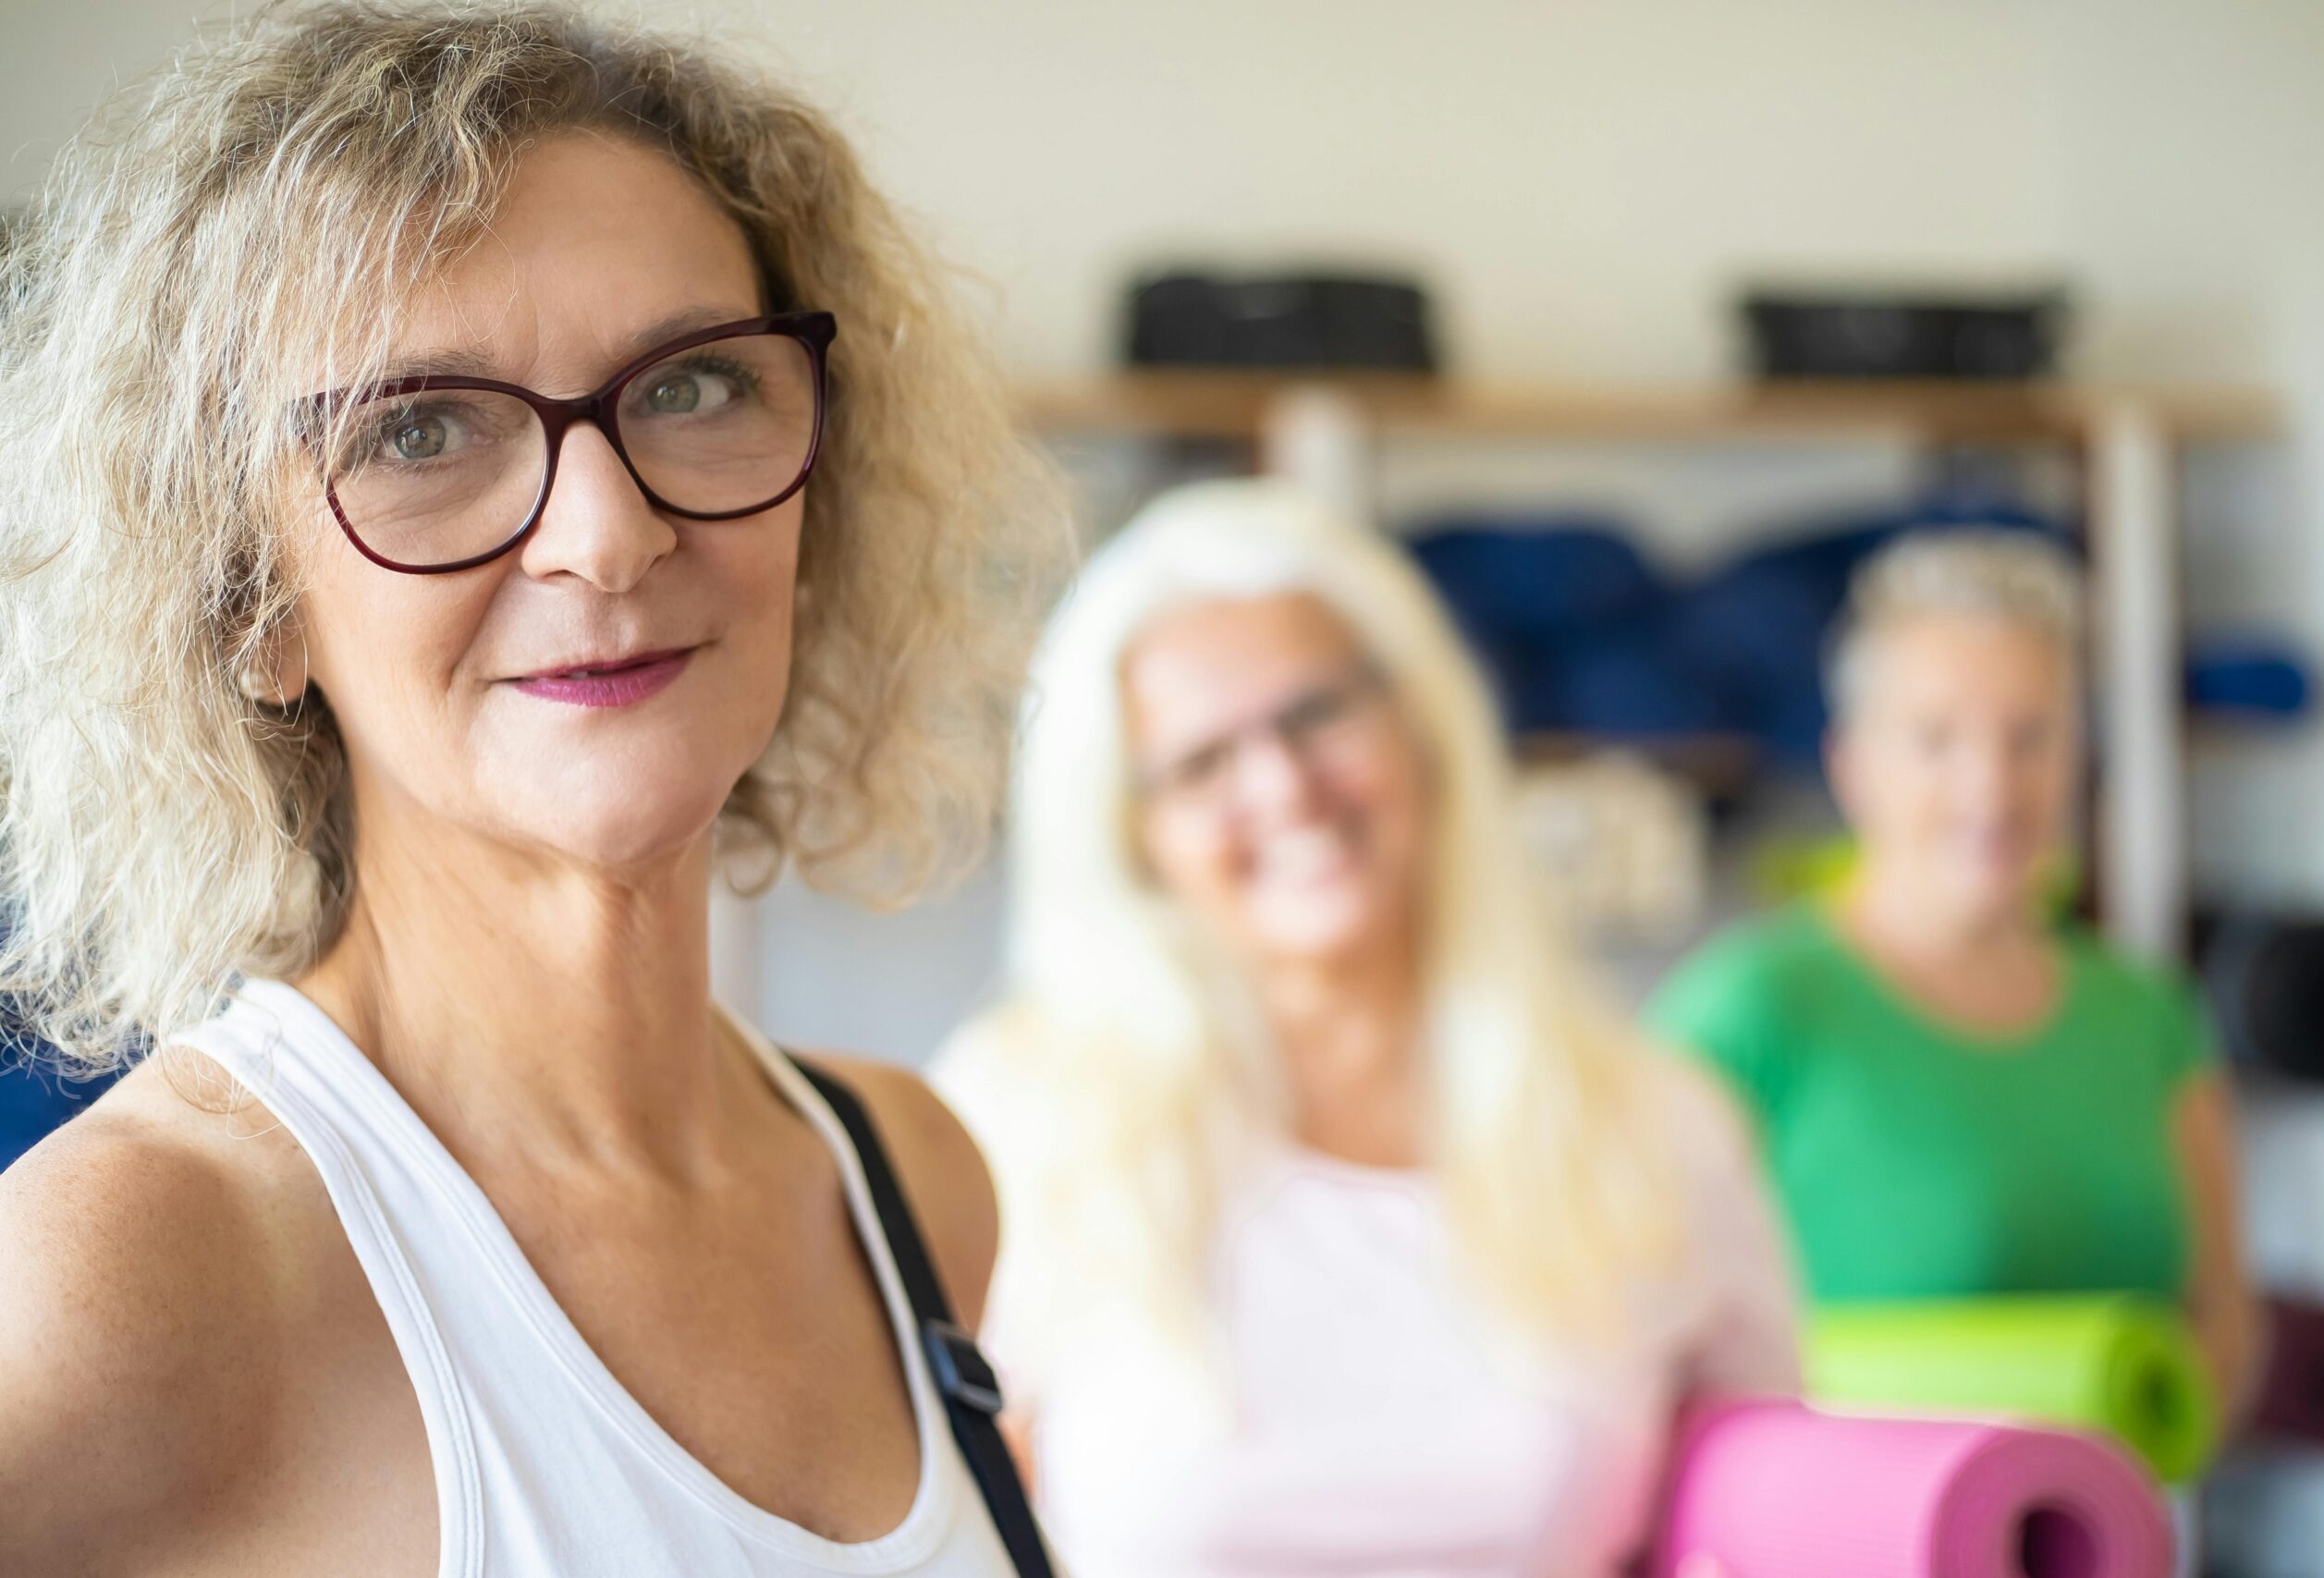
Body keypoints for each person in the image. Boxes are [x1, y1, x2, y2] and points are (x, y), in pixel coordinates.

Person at [0, 5, 1070, 1574]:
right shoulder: (156, 1267)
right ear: (253, 599)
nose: (606, 536)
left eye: (695, 387)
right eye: (419, 427)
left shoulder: (912, 1179)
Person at [936, 481, 1797, 1578]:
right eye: (1203, 763)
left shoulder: (1660, 1130)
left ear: (1422, 723)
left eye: (1315, 714)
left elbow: (1771, 1524)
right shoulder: (1015, 1122)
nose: (1285, 787)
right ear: (1137, 836)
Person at [1648, 531, 2261, 1416]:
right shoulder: (1746, 1013)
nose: (1991, 788)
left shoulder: (2146, 1013)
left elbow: (2223, 1318)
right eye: (1935, 739)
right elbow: (1638, 1342)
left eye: (2032, 736)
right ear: (1852, 766)